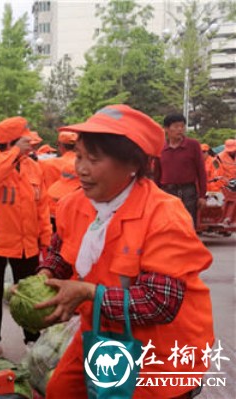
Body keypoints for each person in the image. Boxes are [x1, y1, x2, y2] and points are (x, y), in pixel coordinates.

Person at [25, 105, 213, 399]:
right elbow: (61, 253)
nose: (81, 169)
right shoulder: (73, 205)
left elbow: (159, 304)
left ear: (132, 165)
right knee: (61, 391)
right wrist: (46, 275)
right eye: (79, 156)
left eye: (94, 159)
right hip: (101, 333)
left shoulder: (164, 215)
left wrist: (88, 293)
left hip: (159, 352)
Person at [0, 116, 52, 358]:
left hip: (27, 245)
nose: (30, 142)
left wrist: (45, 238)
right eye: (24, 138)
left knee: (29, 296)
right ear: (13, 141)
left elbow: (43, 205)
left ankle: (33, 341)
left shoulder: (34, 167)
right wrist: (14, 153)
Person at [155, 113, 206, 224]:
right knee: (168, 223)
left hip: (188, 192)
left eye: (182, 126)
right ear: (167, 129)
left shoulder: (193, 145)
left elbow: (201, 171)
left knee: (188, 223)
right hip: (167, 192)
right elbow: (156, 174)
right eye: (176, 126)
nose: (180, 129)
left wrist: (202, 195)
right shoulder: (160, 147)